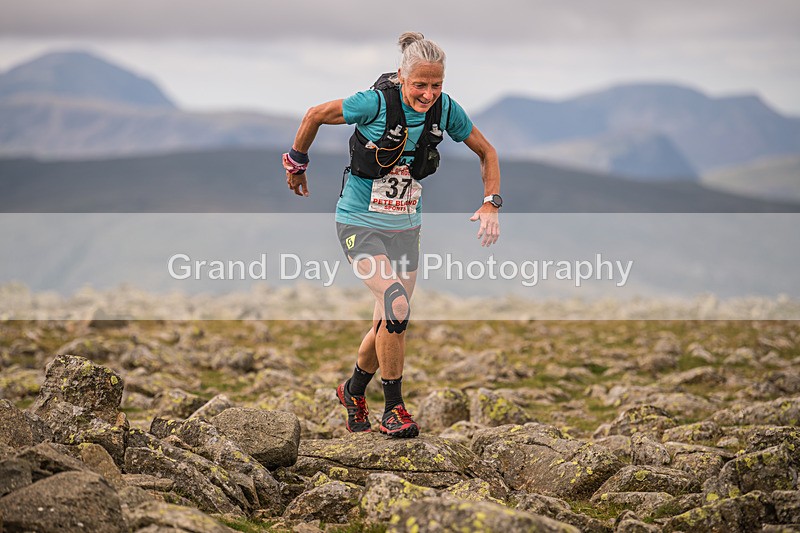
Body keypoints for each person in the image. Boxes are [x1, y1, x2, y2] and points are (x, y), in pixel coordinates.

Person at [283, 31, 501, 438]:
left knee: (388, 319)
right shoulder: (374, 103)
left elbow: (487, 152)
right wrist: (296, 163)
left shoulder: (446, 110)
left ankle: (352, 391)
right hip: (359, 222)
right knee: (395, 305)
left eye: (436, 85)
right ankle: (394, 408)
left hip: (406, 228)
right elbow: (314, 114)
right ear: (402, 77)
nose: (428, 94)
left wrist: (491, 202)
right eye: (420, 84)